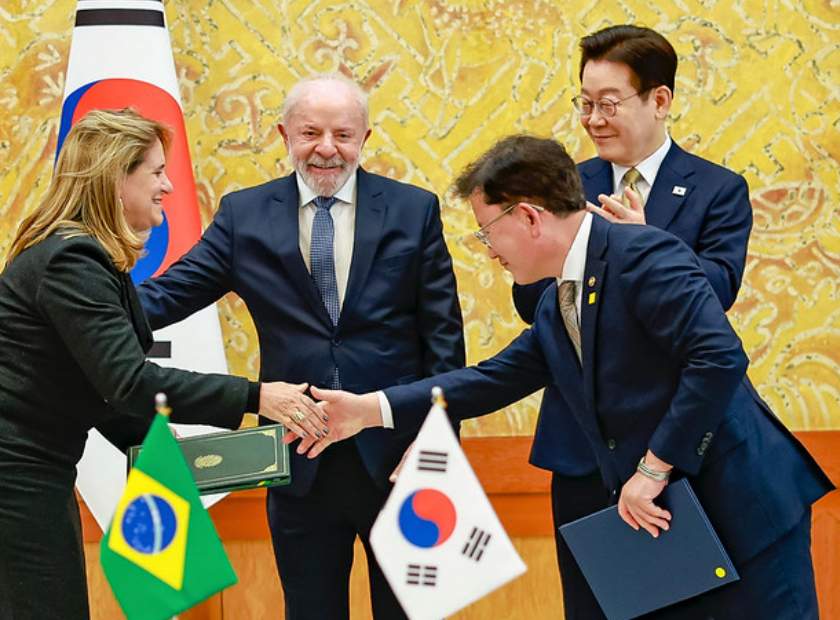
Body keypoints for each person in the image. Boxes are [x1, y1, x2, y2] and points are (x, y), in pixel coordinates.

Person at [303, 135, 833, 619]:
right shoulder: (560, 299)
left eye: (488, 231)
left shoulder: (644, 254)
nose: (489, 251)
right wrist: (370, 409)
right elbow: (493, 379)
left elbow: (718, 358)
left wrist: (653, 468)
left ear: (529, 218)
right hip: (680, 525)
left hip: (745, 512)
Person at [136, 74, 465, 619]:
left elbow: (444, 338)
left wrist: (440, 439)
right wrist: (74, 307)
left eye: (343, 135)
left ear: (365, 138)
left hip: (398, 459)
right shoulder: (244, 215)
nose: (327, 149)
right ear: (283, 135)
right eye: (311, 133)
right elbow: (169, 294)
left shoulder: (413, 209)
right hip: (297, 460)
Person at [0, 108, 326, 619]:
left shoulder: (81, 255)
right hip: (18, 476)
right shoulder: (72, 261)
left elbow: (96, 387)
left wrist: (164, 448)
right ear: (116, 178)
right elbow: (128, 381)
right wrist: (258, 396)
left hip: (32, 471)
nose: (168, 186)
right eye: (155, 172)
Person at [510, 25, 753, 618]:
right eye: (585, 103)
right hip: (580, 448)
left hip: (669, 449)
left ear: (659, 99)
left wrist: (644, 244)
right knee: (591, 608)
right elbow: (532, 303)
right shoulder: (566, 187)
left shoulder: (717, 189)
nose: (593, 120)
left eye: (608, 104)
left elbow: (717, 292)